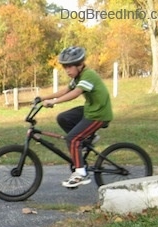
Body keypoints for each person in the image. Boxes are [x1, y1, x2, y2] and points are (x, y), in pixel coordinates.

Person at [37, 46, 113, 188]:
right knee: (63, 118)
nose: (67, 71)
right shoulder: (78, 76)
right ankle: (88, 139)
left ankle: (80, 173)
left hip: (99, 114)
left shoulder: (88, 75)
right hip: (91, 110)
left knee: (72, 138)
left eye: (69, 67)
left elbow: (76, 93)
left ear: (79, 65)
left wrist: (53, 102)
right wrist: (43, 97)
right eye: (64, 67)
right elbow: (66, 90)